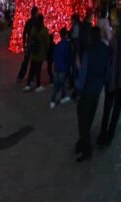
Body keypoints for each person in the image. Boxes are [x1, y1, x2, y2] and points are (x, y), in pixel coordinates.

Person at [75, 27, 110, 161]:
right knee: (90, 115)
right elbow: (107, 69)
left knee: (83, 118)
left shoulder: (89, 52)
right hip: (97, 88)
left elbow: (83, 75)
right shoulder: (105, 49)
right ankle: (82, 142)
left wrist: (78, 88)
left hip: (87, 89)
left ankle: (85, 147)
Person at [98, 29, 121, 146]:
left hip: (111, 80)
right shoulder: (113, 41)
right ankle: (110, 133)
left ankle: (103, 134)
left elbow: (108, 59)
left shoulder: (113, 42)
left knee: (107, 108)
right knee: (116, 109)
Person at [25, 15, 50, 92]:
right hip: (40, 53)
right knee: (38, 70)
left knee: (32, 69)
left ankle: (28, 84)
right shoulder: (44, 30)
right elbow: (47, 42)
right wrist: (47, 51)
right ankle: (38, 85)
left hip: (33, 53)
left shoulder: (34, 29)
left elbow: (30, 39)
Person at [50, 27, 72, 108]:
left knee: (57, 84)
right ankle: (58, 98)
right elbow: (67, 56)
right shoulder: (67, 44)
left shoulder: (58, 44)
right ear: (66, 35)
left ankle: (56, 99)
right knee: (61, 83)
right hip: (63, 67)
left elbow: (54, 56)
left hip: (57, 67)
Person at [17, 6, 39, 83]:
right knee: (34, 61)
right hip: (34, 44)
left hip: (29, 44)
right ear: (35, 13)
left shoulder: (29, 22)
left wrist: (24, 44)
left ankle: (21, 76)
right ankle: (32, 77)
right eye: (37, 12)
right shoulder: (36, 22)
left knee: (26, 61)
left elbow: (24, 33)